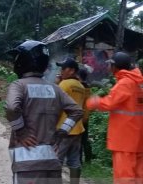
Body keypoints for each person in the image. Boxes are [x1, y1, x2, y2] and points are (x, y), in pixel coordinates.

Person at [5, 40, 83, 184]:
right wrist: (62, 133)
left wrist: (21, 131)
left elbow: (11, 107)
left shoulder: (19, 86)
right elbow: (77, 111)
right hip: (51, 162)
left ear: (22, 61)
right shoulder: (55, 89)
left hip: (26, 163)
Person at [87, 51, 143, 183]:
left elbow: (109, 103)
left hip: (124, 139)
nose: (109, 68)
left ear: (115, 66)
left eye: (110, 65)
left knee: (124, 176)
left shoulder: (125, 83)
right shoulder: (138, 83)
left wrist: (94, 101)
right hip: (138, 139)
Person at [55, 57, 86, 184]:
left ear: (72, 70)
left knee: (56, 161)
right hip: (77, 128)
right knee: (74, 161)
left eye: (64, 68)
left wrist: (57, 83)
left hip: (64, 129)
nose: (61, 70)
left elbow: (55, 104)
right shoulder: (81, 86)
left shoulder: (64, 84)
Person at [77, 68, 93, 164]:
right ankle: (88, 158)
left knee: (78, 140)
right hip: (86, 116)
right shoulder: (88, 87)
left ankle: (79, 160)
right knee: (85, 139)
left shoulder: (80, 87)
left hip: (79, 117)